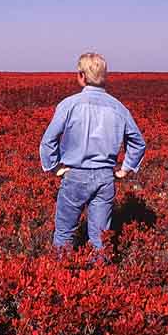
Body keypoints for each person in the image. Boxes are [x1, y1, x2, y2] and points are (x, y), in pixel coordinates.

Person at [39, 52, 146, 257]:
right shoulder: (118, 107)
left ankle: (62, 278)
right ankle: (100, 281)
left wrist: (54, 167)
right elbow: (138, 142)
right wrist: (125, 169)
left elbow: (48, 140)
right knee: (100, 239)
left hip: (74, 176)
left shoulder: (69, 105)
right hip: (105, 177)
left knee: (64, 235)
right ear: (105, 76)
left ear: (81, 75)